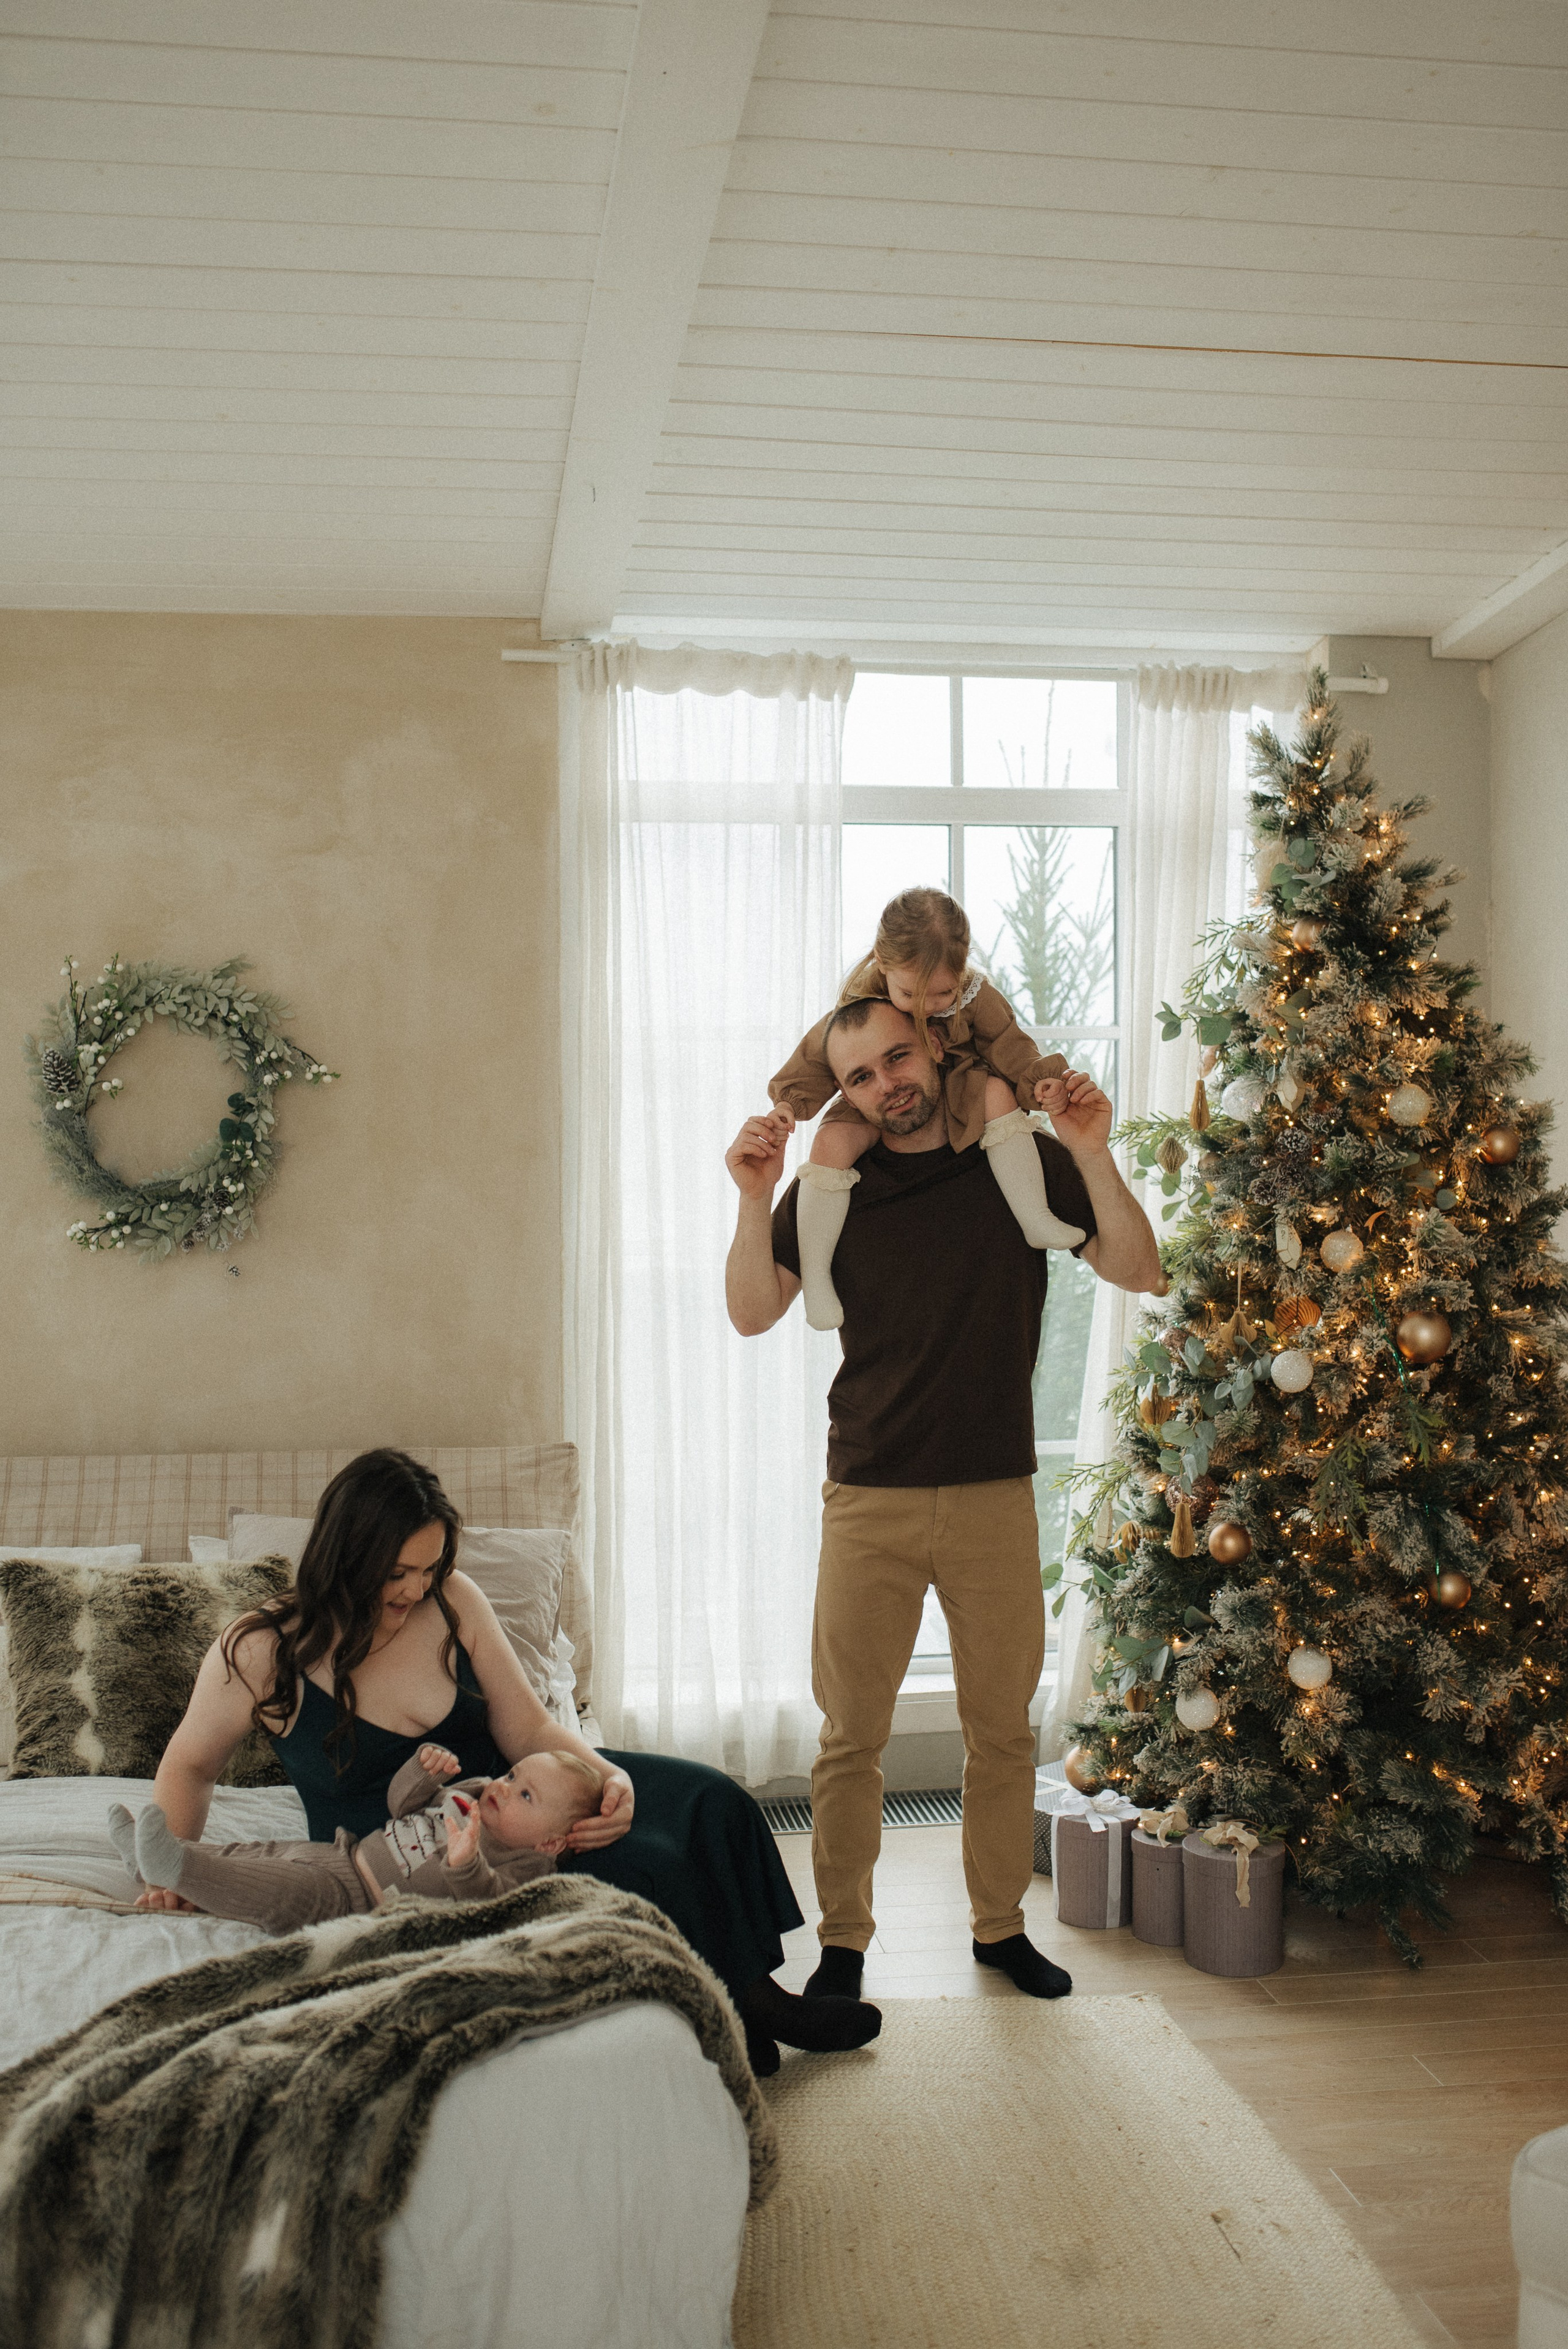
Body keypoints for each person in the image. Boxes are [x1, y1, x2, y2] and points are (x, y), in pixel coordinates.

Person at [145, 1448, 880, 2075]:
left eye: (428, 1569)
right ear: (348, 1554)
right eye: (397, 1571)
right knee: (646, 1857)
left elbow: (527, 1725)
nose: (412, 1589)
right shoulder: (260, 1648)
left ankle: (755, 1997)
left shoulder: (453, 1599)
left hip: (527, 1782)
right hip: (445, 1846)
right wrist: (167, 1867)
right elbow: (190, 1768)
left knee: (714, 1799)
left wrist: (609, 1775)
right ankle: (758, 2012)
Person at [726, 997, 1163, 2002]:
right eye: (862, 1078)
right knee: (850, 1741)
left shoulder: (1017, 1159)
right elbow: (755, 1312)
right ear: (847, 1092)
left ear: (935, 1045)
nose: (888, 1086)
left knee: (1004, 1732)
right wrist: (756, 1199)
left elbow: (1139, 1268)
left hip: (992, 1494)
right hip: (867, 1498)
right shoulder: (833, 1183)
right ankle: (842, 1947)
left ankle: (1000, 1929)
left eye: (897, 1058)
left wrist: (1092, 1150)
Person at [769, 886, 1084, 1329]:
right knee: (831, 1140)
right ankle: (817, 1278)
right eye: (912, 994)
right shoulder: (860, 1003)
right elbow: (821, 1056)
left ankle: (1033, 1215)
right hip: (875, 1102)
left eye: (942, 994)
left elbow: (1007, 1043)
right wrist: (789, 1103)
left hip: (950, 1081)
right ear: (882, 962)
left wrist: (1037, 1081)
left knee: (997, 1093)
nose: (931, 1006)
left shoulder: (975, 995)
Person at [108, 1741, 601, 1930]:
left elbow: (495, 1909)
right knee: (255, 1854)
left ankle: (178, 1866)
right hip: (341, 1852)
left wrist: (467, 1863)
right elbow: (401, 1807)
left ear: (551, 1843)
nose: (506, 1788)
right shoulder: (472, 1791)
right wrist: (423, 1772)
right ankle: (150, 1860)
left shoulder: (528, 1865)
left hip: (356, 1900)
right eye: (514, 1775)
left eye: (527, 1797)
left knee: (277, 1891)